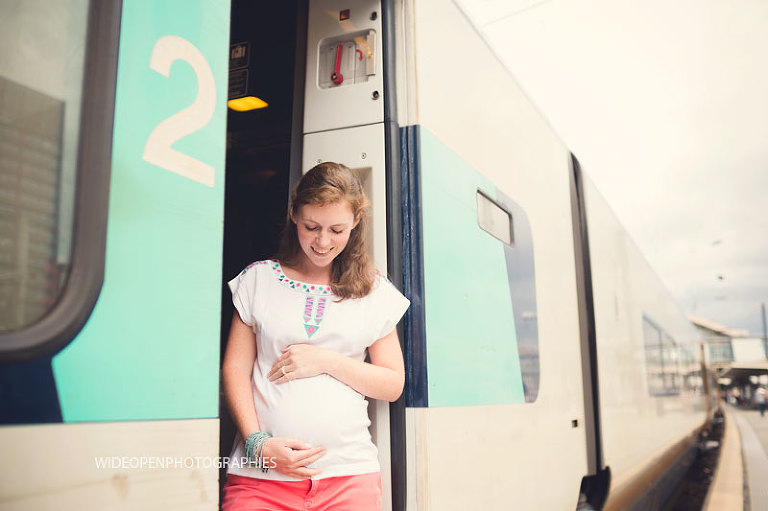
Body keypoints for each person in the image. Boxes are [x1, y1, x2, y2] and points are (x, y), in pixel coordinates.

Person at [221, 162, 410, 510]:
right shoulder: (257, 280)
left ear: (355, 222)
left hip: (349, 479)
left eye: (337, 229)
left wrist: (325, 360)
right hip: (260, 479)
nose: (323, 242)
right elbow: (234, 370)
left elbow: (392, 384)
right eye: (312, 227)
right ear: (294, 213)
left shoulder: (374, 290)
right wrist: (257, 445)